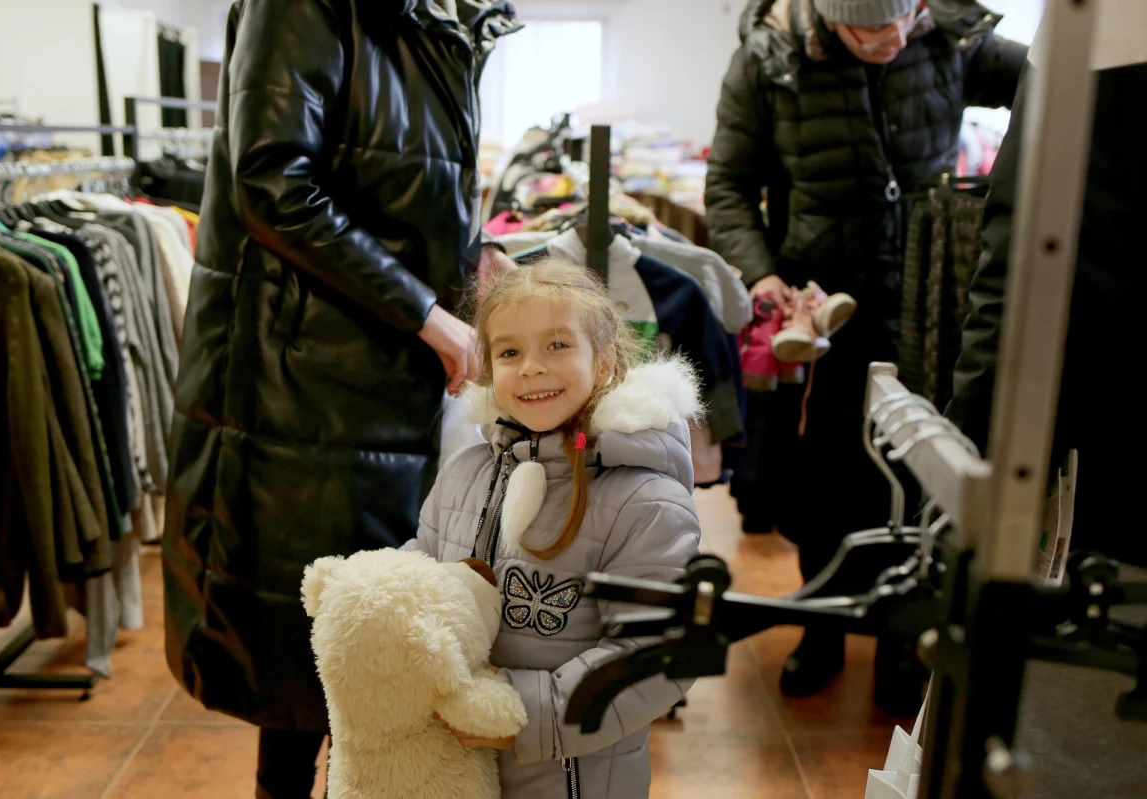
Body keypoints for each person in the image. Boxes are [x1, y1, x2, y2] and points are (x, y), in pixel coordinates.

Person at [161, 1, 521, 797]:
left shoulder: (440, 16)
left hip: (382, 374)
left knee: (354, 642)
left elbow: (397, 182)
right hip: (303, 384)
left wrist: (468, 249)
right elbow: (272, 179)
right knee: (302, 648)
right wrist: (424, 311)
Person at [704, 0, 1026, 712]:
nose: (894, 39)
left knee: (920, 473)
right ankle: (821, 625)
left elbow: (1044, 81)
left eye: (904, 19)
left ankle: (903, 641)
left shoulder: (947, 36)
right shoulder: (768, 60)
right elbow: (726, 186)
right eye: (871, 31)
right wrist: (761, 275)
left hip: (933, 300)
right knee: (825, 474)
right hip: (823, 310)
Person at [402, 262, 702, 798]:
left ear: (605, 360)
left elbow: (659, 656)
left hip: (570, 780)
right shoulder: (466, 470)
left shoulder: (646, 501)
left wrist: (519, 712)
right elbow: (420, 568)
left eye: (558, 345)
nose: (532, 368)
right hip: (453, 772)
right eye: (510, 352)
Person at [948, 23, 1147, 799]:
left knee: (1072, 750)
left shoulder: (1099, 26)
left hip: (1107, 482)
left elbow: (1019, 267)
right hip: (1105, 476)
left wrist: (967, 465)